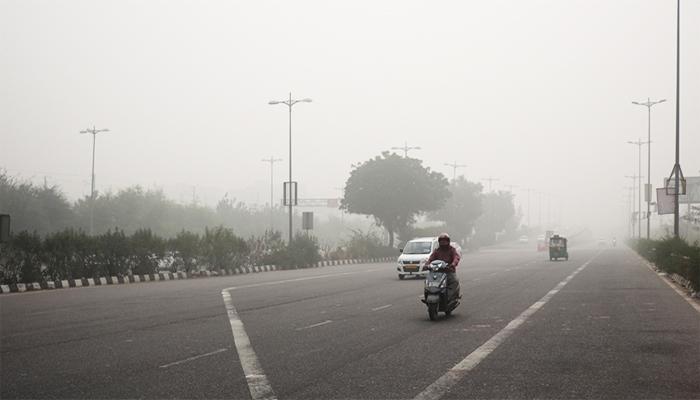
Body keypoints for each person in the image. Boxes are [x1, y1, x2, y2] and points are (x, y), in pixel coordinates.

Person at [425, 233, 461, 302]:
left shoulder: (452, 250)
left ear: (448, 241)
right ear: (439, 242)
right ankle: (427, 294)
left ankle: (451, 297)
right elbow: (430, 259)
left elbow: (456, 257)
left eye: (445, 240)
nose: (443, 242)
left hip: (449, 271)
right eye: (441, 241)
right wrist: (426, 265)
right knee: (428, 281)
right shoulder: (437, 251)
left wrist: (453, 264)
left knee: (455, 281)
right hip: (437, 271)